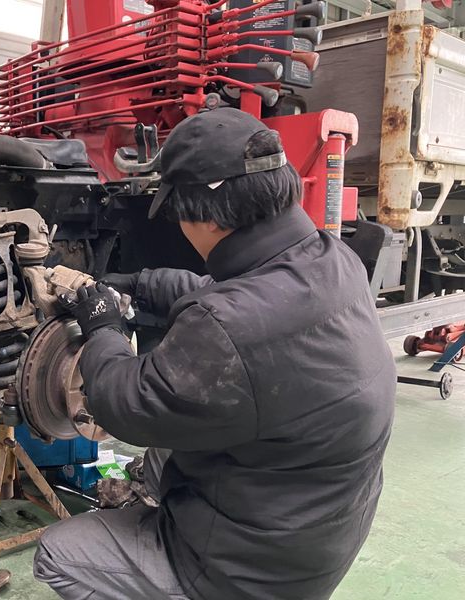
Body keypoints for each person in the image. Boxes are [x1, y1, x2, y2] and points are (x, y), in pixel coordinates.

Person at [33, 107, 396, 600]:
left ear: (205, 216)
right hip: (317, 526)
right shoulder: (331, 258)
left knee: (58, 554)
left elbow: (125, 403)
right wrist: (138, 284)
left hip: (250, 573)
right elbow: (221, 292)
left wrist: (103, 326)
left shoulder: (227, 328)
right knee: (168, 443)